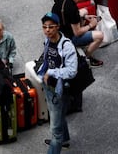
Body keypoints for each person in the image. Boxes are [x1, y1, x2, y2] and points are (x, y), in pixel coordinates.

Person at [37, 12, 78, 153]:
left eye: (51, 27)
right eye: (44, 27)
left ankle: (58, 140)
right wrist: (42, 71)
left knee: (55, 130)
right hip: (49, 86)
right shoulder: (48, 40)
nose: (47, 30)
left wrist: (51, 72)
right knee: (58, 114)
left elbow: (72, 71)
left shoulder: (67, 46)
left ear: (58, 27)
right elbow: (48, 59)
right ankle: (64, 140)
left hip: (60, 91)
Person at [51, 0, 104, 67]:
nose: (84, 1)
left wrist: (84, 17)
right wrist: (91, 25)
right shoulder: (72, 9)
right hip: (66, 39)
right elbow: (77, 32)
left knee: (84, 12)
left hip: (57, 30)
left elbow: (69, 15)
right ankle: (87, 58)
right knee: (100, 35)